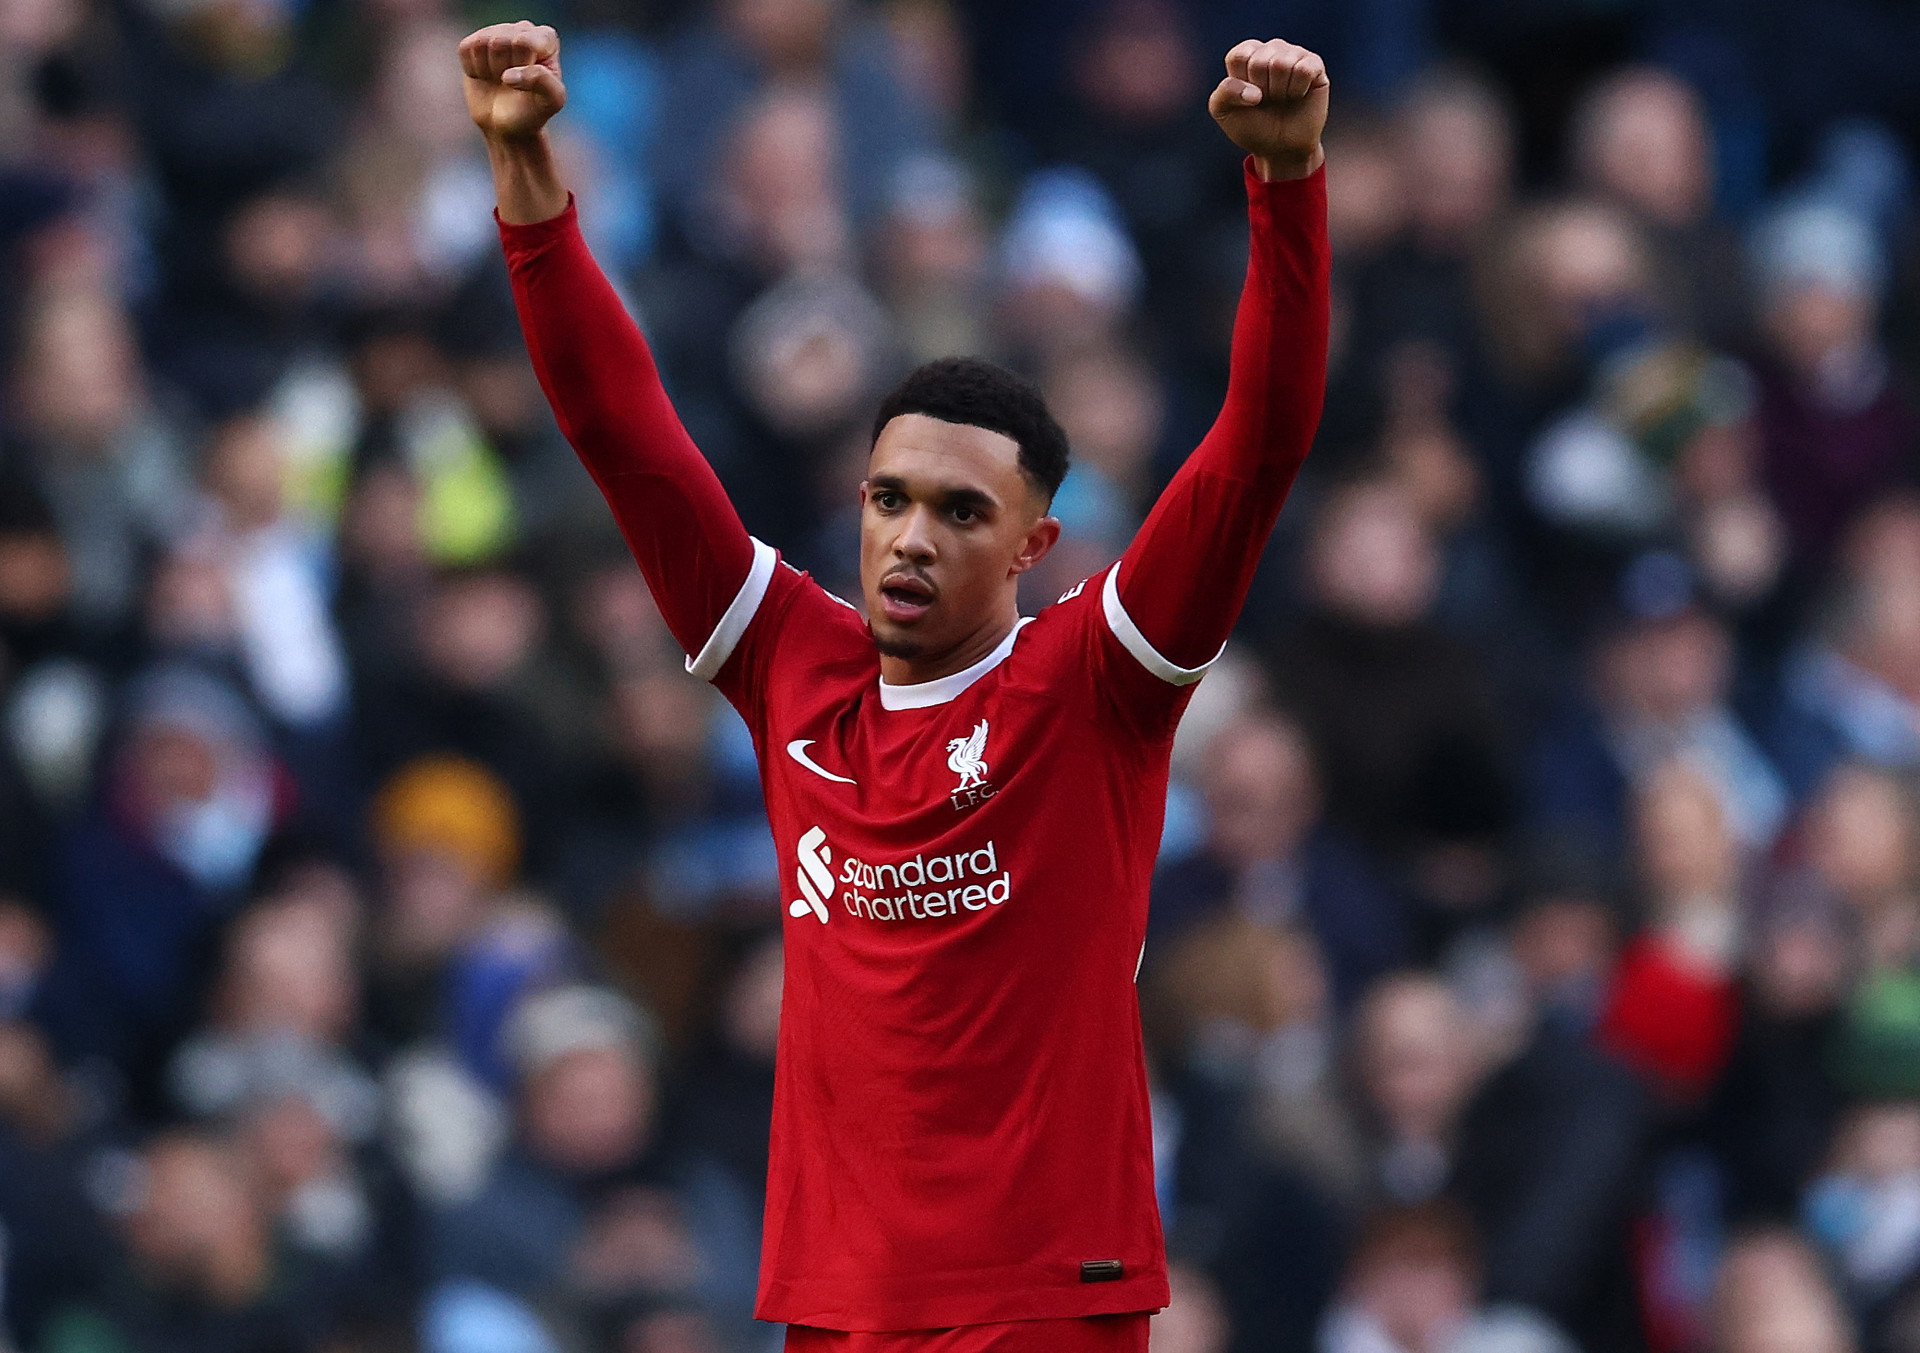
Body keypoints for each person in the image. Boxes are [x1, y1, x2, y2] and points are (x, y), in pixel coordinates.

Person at [457, 19, 1330, 1351]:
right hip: (840, 1303)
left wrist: (1286, 191)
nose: (911, 535)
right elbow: (619, 428)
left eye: (960, 510)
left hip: (1045, 1297)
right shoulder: (790, 661)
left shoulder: (1097, 674)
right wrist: (524, 170)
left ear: (1036, 544)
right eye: (888, 498)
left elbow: (1257, 445)